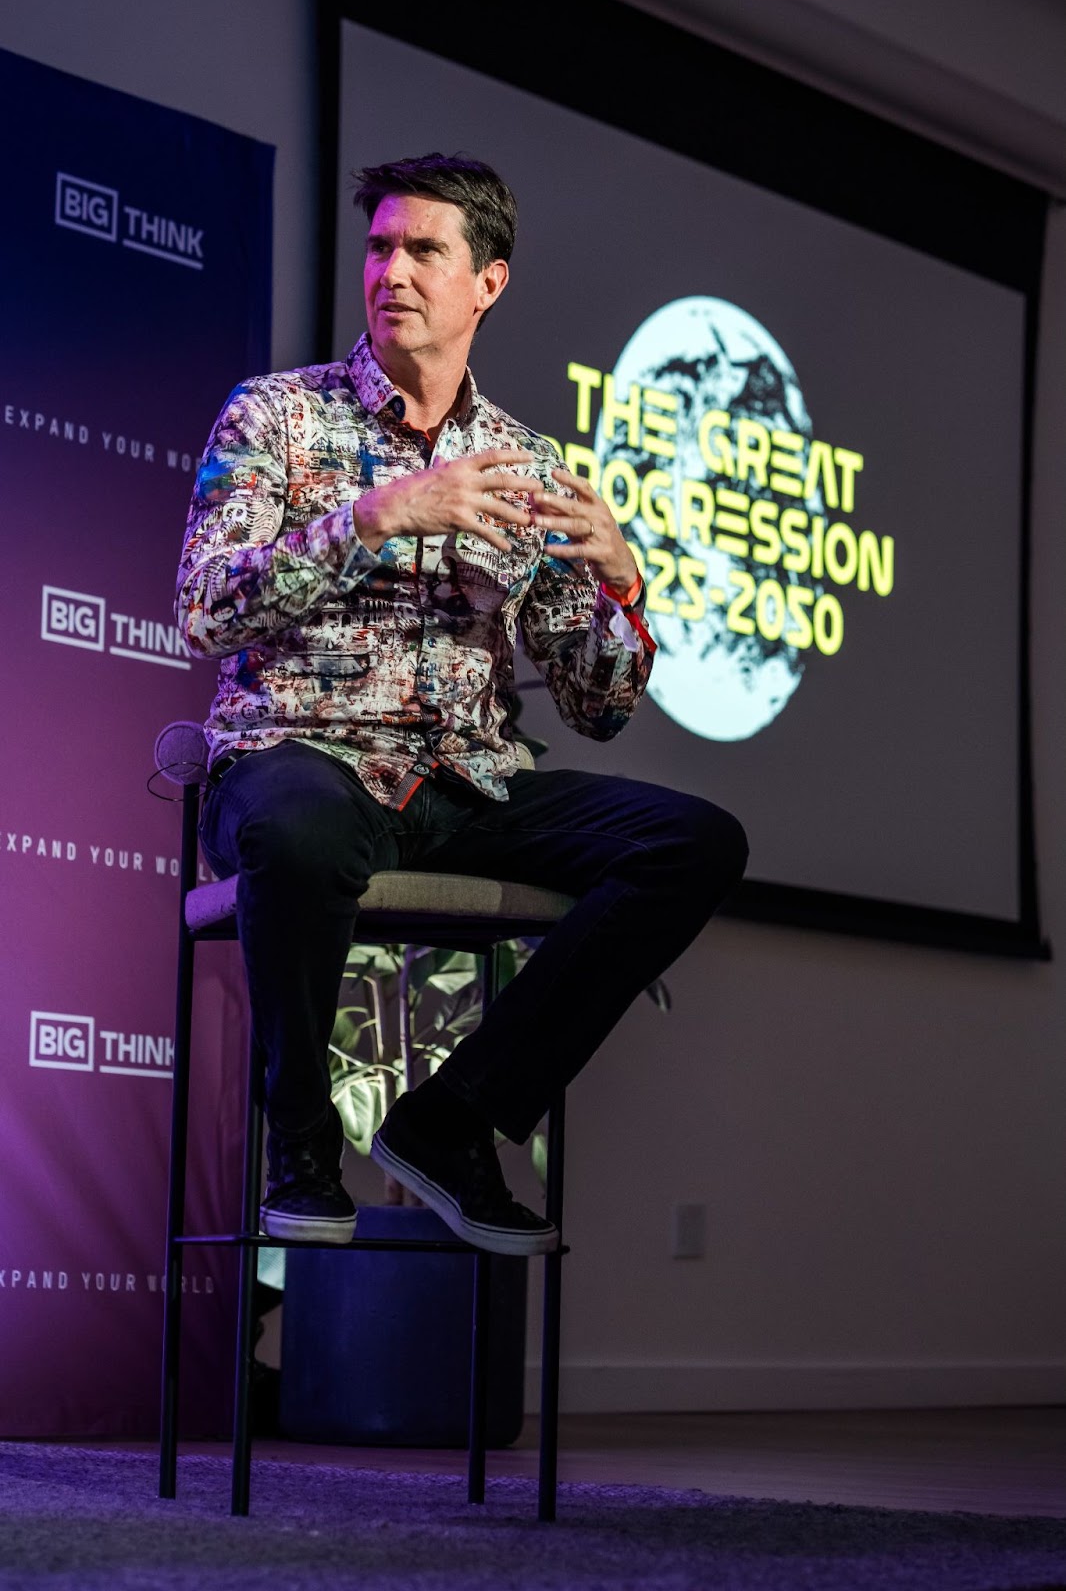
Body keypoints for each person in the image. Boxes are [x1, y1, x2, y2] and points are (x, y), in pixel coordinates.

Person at [176, 152, 747, 1258]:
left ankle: (455, 1119)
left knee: (692, 841)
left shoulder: (528, 463)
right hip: (303, 752)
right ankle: (298, 1145)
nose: (392, 270)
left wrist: (624, 585)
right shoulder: (279, 417)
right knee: (295, 823)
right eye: (381, 246)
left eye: (424, 250)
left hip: (466, 780)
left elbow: (597, 705)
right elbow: (206, 608)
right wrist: (375, 517)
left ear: (487, 281)